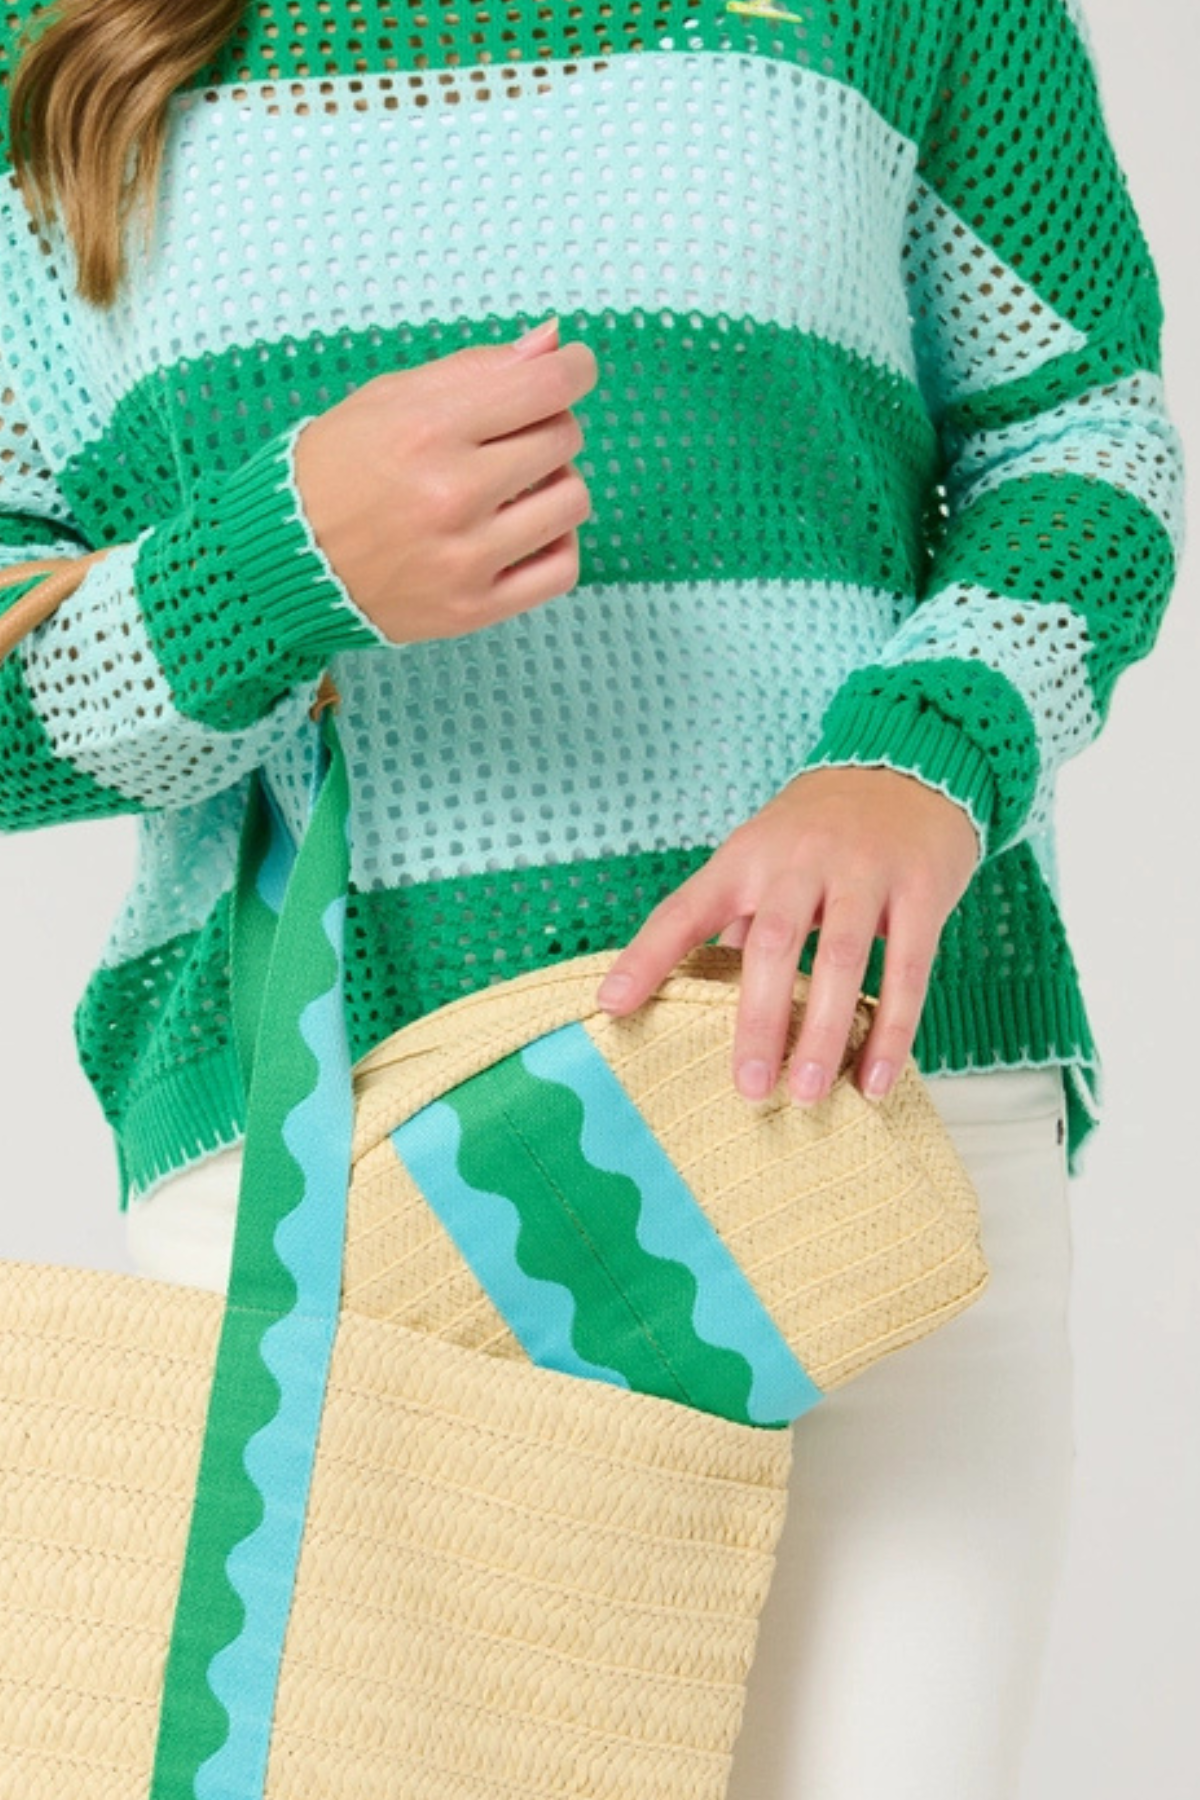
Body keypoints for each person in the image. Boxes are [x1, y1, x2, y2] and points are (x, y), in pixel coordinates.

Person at [0, 0, 1184, 1793]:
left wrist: (921, 759)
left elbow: (1083, 437)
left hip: (853, 1100)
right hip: (348, 1176)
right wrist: (271, 567)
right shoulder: (46, 43)